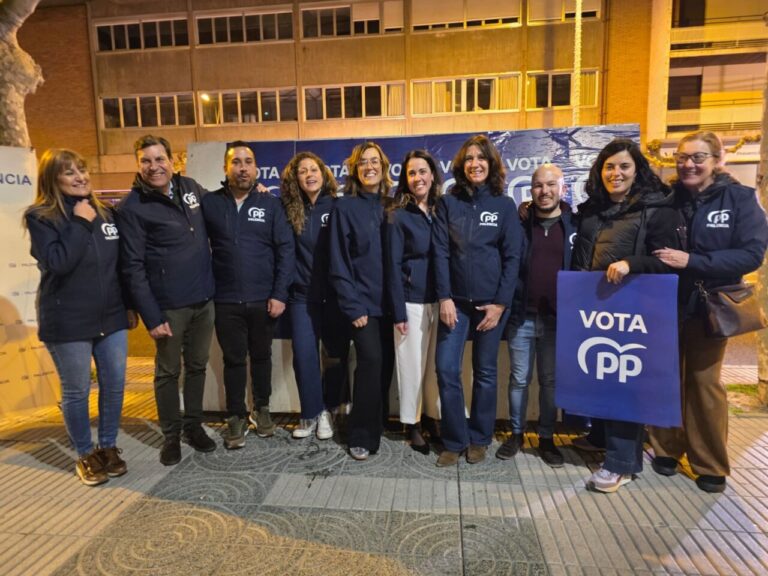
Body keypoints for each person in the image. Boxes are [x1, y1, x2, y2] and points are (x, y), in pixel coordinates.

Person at [649, 131, 768, 493]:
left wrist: (694, 261)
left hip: (710, 307)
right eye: (682, 157)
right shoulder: (668, 201)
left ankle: (710, 463)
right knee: (666, 380)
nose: (688, 164)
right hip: (666, 304)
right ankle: (666, 449)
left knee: (703, 384)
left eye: (698, 157)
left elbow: (752, 254)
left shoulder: (740, 199)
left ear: (718, 160)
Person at [571, 138, 682, 493]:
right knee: (601, 375)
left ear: (637, 169)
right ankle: (601, 436)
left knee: (624, 383)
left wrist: (631, 263)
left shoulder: (656, 207)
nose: (615, 173)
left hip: (633, 310)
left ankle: (621, 464)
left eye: (623, 166)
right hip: (595, 306)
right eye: (609, 167)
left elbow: (669, 260)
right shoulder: (593, 209)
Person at [24, 149, 135, 486]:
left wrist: (129, 305)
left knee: (114, 384)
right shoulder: (42, 217)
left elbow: (121, 267)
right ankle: (86, 454)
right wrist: (79, 221)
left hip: (111, 316)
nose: (80, 177)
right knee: (77, 391)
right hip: (68, 320)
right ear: (52, 179)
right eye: (69, 172)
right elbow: (59, 262)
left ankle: (108, 447)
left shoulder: (106, 214)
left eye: (82, 170)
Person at [116, 134, 216, 466]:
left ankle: (194, 427)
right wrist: (151, 315)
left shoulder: (189, 187)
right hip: (169, 306)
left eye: (160, 159)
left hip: (204, 299)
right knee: (168, 372)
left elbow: (218, 208)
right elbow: (132, 267)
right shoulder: (132, 207)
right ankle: (171, 436)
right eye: (146, 160)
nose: (154, 166)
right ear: (138, 165)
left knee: (198, 366)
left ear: (172, 161)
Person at [433, 134, 523, 467]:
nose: (475, 164)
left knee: (485, 372)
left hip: (491, 305)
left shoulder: (504, 204)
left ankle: (479, 438)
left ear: (491, 163)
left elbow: (513, 257)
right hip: (454, 301)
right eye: (469, 158)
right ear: (461, 165)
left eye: (481, 158)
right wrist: (443, 296)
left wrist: (500, 303)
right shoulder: (449, 202)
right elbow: (440, 252)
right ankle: (455, 440)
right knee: (446, 369)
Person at [202, 142, 294, 448]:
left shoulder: (271, 204)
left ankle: (262, 408)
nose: (242, 167)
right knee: (233, 360)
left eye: (248, 162)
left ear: (256, 168)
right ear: (226, 168)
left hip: (263, 299)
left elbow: (285, 250)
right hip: (225, 300)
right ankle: (236, 415)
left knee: (262, 356)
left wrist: (279, 294)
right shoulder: (210, 204)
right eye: (236, 162)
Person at [496, 163, 577, 467]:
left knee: (550, 381)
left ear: (562, 188)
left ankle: (546, 437)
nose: (544, 191)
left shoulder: (573, 225)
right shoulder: (519, 224)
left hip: (557, 320)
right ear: (531, 191)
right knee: (519, 379)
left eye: (551, 185)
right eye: (538, 186)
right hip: (522, 316)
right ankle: (516, 434)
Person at [329, 141, 395, 461]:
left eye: (374, 161)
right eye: (363, 163)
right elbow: (338, 261)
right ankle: (361, 433)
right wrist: (352, 306)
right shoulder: (344, 207)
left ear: (384, 166)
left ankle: (378, 422)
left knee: (386, 367)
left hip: (393, 305)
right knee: (369, 364)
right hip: (362, 305)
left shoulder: (394, 204)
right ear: (355, 169)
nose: (370, 167)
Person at [280, 151, 349, 440]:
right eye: (302, 171)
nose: (309, 174)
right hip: (301, 297)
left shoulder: (337, 206)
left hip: (334, 297)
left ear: (324, 173)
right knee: (304, 356)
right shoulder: (287, 209)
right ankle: (312, 412)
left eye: (314, 169)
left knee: (334, 356)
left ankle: (331, 410)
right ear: (295, 178)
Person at [385, 150, 442, 455]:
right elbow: (392, 266)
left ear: (433, 174)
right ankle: (412, 424)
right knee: (411, 367)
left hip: (442, 301)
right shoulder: (398, 214)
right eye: (411, 173)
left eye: (423, 171)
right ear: (405, 180)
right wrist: (397, 310)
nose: (418, 178)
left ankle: (431, 417)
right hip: (410, 302)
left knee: (434, 368)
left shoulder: (442, 209)